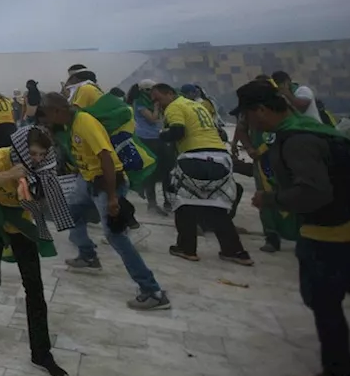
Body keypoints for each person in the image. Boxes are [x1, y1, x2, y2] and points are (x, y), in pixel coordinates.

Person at [237, 79, 350, 376]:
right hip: (346, 228)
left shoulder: (297, 140)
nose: (247, 122)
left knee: (325, 305)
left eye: (248, 115)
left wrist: (272, 199)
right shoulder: (308, 127)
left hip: (331, 234)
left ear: (261, 110)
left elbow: (314, 191)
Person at [39, 92, 170, 311]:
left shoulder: (84, 123)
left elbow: (106, 158)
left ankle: (152, 291)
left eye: (48, 115)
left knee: (115, 236)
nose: (48, 120)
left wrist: (111, 197)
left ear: (57, 111)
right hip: (88, 180)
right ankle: (88, 256)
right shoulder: (70, 125)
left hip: (106, 183)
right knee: (71, 211)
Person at [0, 126, 69, 376]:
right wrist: (10, 174)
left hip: (20, 221)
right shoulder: (1, 157)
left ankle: (41, 353)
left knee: (34, 286)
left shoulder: (43, 167)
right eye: (32, 153)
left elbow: (46, 202)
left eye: (41, 154)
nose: (36, 159)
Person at [150, 83, 251, 266]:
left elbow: (177, 132)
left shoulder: (174, 107)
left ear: (170, 93)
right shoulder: (198, 105)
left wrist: (161, 134)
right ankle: (235, 251)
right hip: (220, 158)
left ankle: (186, 248)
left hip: (193, 157)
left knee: (183, 204)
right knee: (217, 207)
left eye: (158, 98)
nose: (156, 103)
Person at [128, 81, 169, 215]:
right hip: (146, 138)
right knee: (151, 170)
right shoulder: (140, 102)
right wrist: (157, 107)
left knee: (164, 168)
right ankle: (152, 203)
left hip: (158, 137)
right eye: (150, 91)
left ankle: (167, 200)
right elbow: (152, 118)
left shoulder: (149, 102)